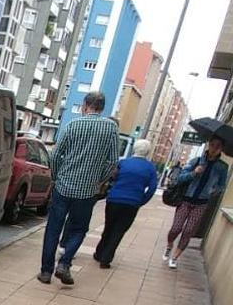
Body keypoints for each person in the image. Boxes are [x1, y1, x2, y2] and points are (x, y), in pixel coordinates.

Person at [39, 91, 119, 285]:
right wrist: (98, 180)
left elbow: (56, 155)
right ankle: (64, 264)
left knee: (53, 229)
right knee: (79, 229)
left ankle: (46, 272)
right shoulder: (110, 128)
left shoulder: (72, 125)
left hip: (64, 186)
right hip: (87, 191)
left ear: (85, 105)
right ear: (101, 107)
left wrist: (57, 177)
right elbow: (113, 161)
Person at [164, 137, 229, 269]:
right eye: (212, 145)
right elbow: (180, 178)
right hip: (186, 200)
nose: (214, 148)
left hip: (201, 203)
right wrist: (194, 172)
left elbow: (222, 186)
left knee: (188, 231)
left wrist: (213, 191)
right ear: (208, 145)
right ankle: (170, 244)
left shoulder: (222, 167)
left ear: (221, 149)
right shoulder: (196, 161)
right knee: (176, 228)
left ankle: (175, 257)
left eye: (218, 146)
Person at [93, 140, 158, 268]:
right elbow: (152, 188)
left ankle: (99, 252)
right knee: (119, 230)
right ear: (147, 152)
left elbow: (112, 178)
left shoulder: (123, 163)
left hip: (114, 199)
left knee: (108, 227)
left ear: (134, 149)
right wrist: (141, 200)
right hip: (132, 203)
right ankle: (106, 259)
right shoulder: (150, 168)